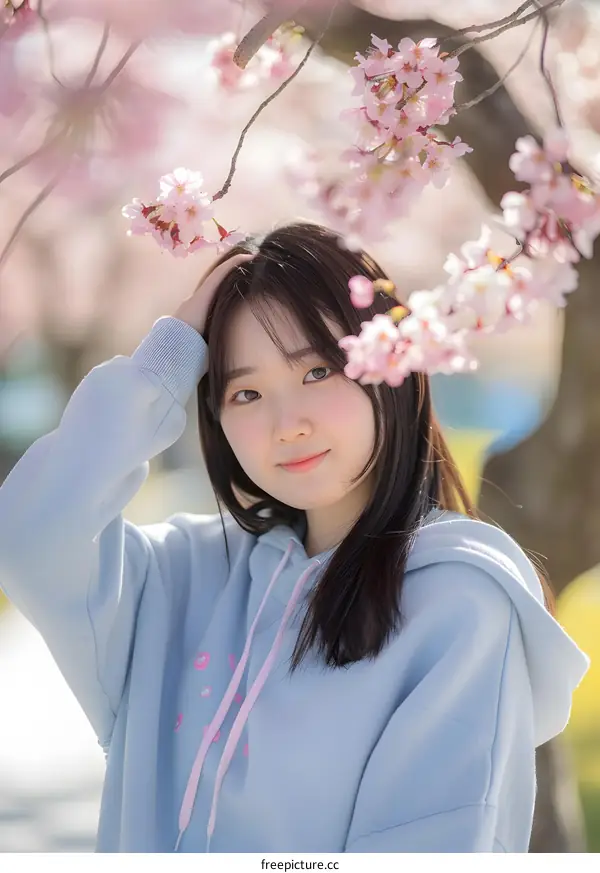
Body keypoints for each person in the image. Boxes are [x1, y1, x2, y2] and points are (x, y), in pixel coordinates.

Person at [0, 222, 589, 854]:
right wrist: (165, 361)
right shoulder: (180, 578)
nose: (287, 425)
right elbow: (30, 532)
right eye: (245, 391)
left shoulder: (458, 603)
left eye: (315, 373)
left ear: (389, 366)